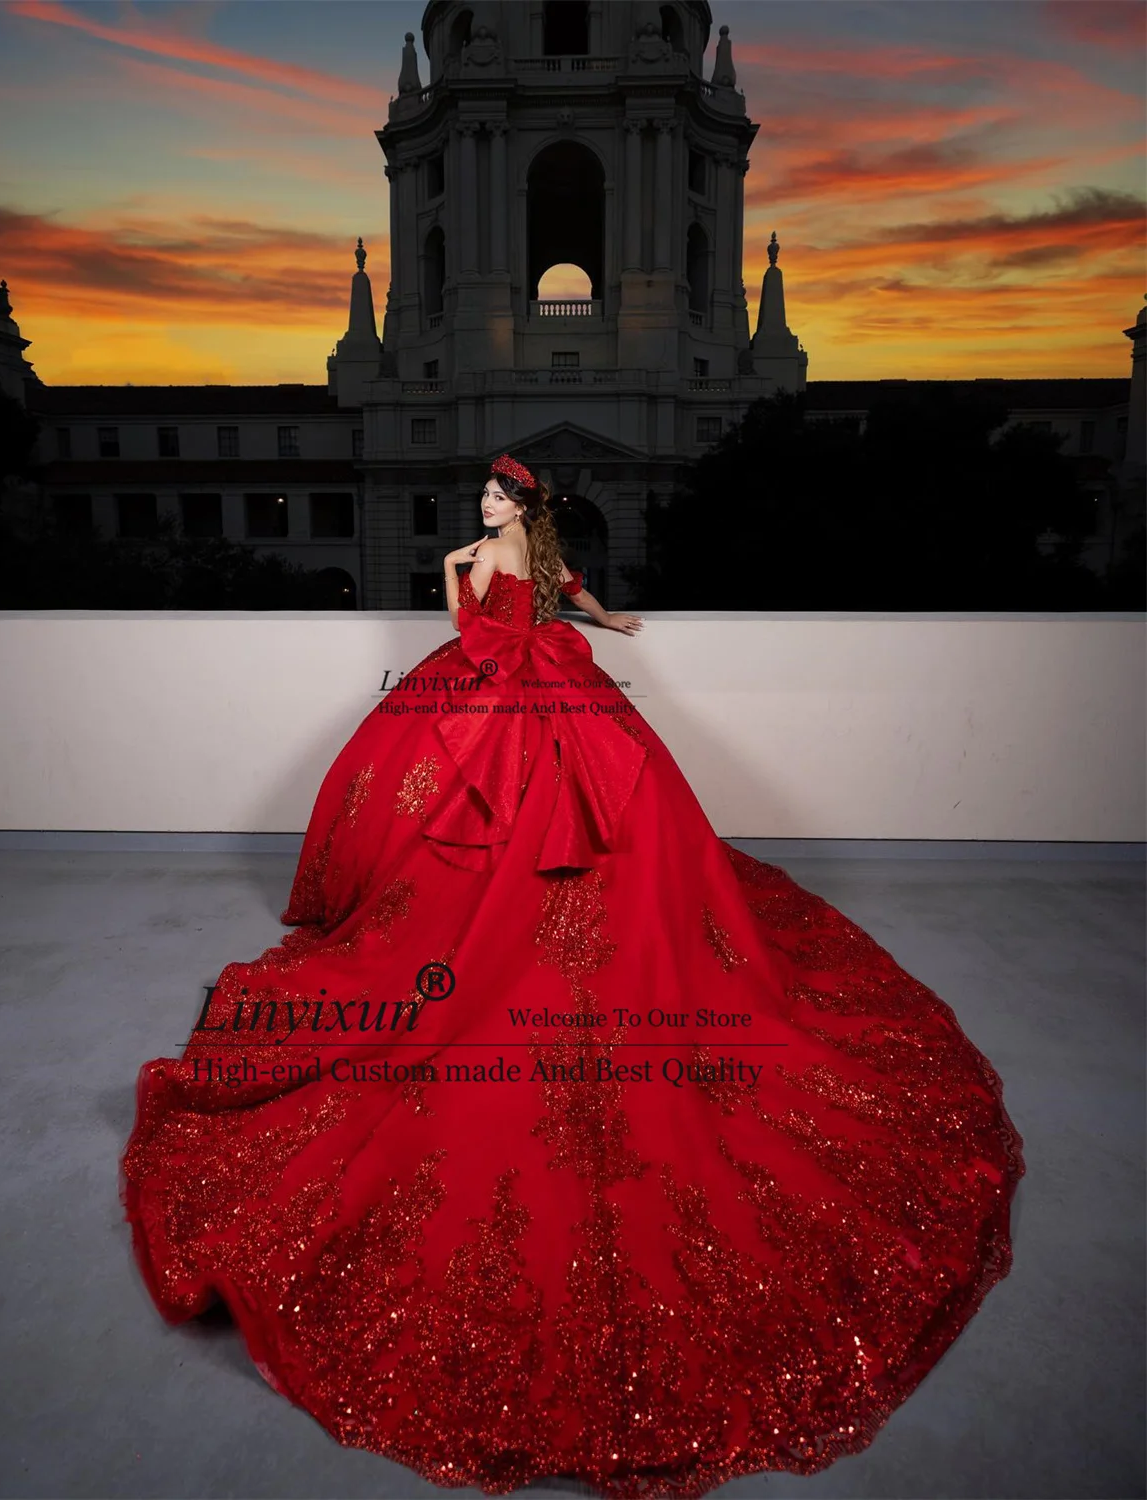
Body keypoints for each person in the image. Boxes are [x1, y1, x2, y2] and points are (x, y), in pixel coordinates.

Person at [120, 451, 1025, 1497]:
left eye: (497, 501)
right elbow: (566, 590)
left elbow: (470, 623)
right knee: (607, 821)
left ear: (520, 508)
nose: (486, 511)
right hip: (551, 675)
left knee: (462, 825)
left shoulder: (496, 550)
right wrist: (604, 622)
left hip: (512, 685)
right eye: (486, 502)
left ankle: (504, 919)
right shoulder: (537, 550)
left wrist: (461, 566)